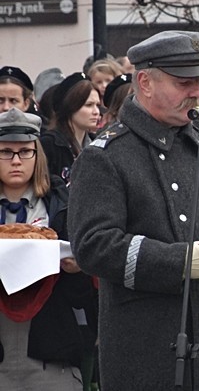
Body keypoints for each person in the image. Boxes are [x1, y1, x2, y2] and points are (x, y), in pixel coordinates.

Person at [67, 30, 199, 390]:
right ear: (145, 82)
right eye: (184, 83)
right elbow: (92, 245)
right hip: (149, 357)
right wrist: (179, 262)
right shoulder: (106, 155)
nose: (197, 93)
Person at [0, 108, 96, 390]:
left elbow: (83, 295)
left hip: (51, 353)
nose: (16, 161)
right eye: (5, 152)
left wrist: (78, 268)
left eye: (25, 152)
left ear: (37, 154)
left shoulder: (63, 206)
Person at [40, 73, 101, 183]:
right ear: (71, 106)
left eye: (97, 105)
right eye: (89, 105)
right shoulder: (49, 144)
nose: (96, 112)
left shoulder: (98, 144)